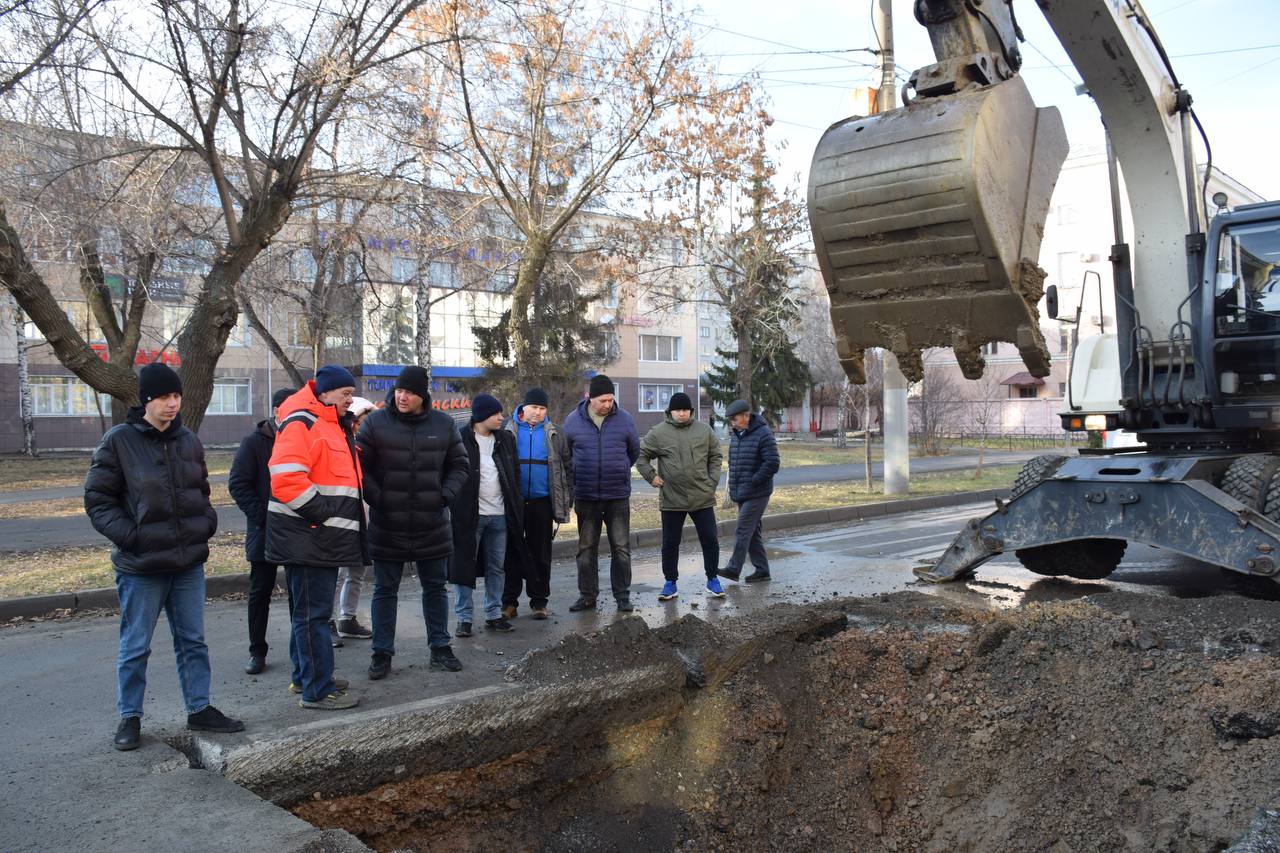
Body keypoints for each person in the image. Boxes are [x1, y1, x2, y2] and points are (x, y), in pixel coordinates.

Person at [85, 362, 243, 751]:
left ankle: (200, 708)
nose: (173, 404)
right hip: (141, 567)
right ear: (146, 401)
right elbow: (98, 500)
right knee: (136, 646)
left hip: (187, 563)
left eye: (176, 396)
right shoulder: (119, 441)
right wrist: (132, 537)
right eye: (164, 397)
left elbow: (201, 492)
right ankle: (130, 717)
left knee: (193, 641)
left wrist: (206, 523)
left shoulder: (188, 440)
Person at [357, 365, 468, 680]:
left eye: (410, 392)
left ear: (423, 396)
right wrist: (377, 498)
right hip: (387, 522)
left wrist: (444, 496)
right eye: (400, 390)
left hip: (431, 522)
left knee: (435, 587)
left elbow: (460, 465)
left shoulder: (443, 425)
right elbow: (358, 466)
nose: (403, 397)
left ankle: (440, 648)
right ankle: (381, 654)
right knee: (384, 589)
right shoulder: (376, 424)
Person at [266, 365, 365, 711]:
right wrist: (324, 514)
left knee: (309, 615)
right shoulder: (303, 423)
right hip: (309, 536)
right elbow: (286, 479)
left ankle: (307, 677)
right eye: (345, 393)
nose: (350, 399)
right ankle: (317, 690)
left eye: (351, 394)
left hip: (319, 536)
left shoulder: (329, 425)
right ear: (324, 393)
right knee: (313, 616)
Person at [229, 387, 295, 676]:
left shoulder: (302, 437)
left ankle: (302, 650)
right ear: (277, 410)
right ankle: (257, 651)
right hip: (264, 530)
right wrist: (263, 518)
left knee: (299, 593)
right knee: (260, 592)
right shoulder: (254, 443)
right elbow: (239, 485)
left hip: (297, 531)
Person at [561, 374, 640, 613]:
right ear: (590, 398)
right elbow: (566, 455)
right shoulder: (573, 420)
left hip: (617, 496)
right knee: (586, 550)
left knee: (621, 548)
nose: (607, 404)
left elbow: (633, 451)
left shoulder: (625, 419)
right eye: (603, 400)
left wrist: (618, 470)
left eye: (610, 399)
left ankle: (622, 596)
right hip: (586, 497)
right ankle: (587, 596)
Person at [636, 392, 724, 601]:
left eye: (685, 410)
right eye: (677, 410)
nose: (681, 413)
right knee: (670, 543)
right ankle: (670, 583)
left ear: (691, 412)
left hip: (701, 497)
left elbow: (716, 456)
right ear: (670, 412)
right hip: (672, 498)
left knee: (710, 539)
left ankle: (713, 580)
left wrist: (711, 482)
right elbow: (641, 457)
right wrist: (651, 477)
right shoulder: (658, 432)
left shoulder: (704, 430)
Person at [451, 393, 526, 634]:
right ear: (482, 415)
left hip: (500, 514)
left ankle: (494, 614)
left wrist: (515, 502)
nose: (501, 418)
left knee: (497, 567)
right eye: (496, 413)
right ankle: (464, 618)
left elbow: (514, 474)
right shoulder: (461, 438)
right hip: (470, 515)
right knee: (464, 565)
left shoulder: (505, 439)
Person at [502, 387, 573, 620]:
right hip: (514, 502)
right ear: (523, 407)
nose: (538, 413)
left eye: (542, 408)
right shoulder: (507, 430)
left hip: (542, 502)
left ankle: (539, 601)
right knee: (511, 552)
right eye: (534, 407)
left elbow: (566, 467)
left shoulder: (555, 433)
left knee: (541, 553)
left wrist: (566, 498)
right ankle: (509, 602)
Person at [330, 396, 377, 647]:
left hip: (366, 516)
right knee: (338, 572)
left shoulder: (371, 446)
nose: (364, 427)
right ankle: (328, 620)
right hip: (343, 515)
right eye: (361, 422)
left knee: (358, 571)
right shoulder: (341, 443)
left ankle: (347, 618)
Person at [717, 399, 780, 584]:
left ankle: (734, 568)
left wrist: (755, 481)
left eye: (735, 419)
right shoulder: (738, 434)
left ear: (746, 416)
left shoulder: (763, 433)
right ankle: (762, 571)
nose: (732, 423)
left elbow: (773, 463)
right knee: (752, 532)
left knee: (743, 529)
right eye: (731, 420)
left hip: (757, 492)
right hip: (742, 491)